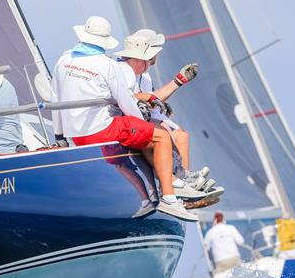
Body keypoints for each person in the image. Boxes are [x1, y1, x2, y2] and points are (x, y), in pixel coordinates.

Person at [50, 16, 199, 221]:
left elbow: (55, 99)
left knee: (145, 135)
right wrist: (143, 124)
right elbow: (126, 103)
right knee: (160, 137)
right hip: (101, 129)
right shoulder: (106, 64)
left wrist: (59, 135)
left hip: (75, 135)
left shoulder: (63, 60)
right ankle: (170, 197)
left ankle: (167, 187)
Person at [116, 28, 214, 192]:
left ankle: (184, 180)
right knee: (164, 132)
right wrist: (178, 81)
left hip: (142, 117)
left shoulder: (144, 75)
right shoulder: (122, 70)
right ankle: (176, 184)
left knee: (181, 134)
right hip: (127, 122)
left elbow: (150, 98)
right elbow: (132, 97)